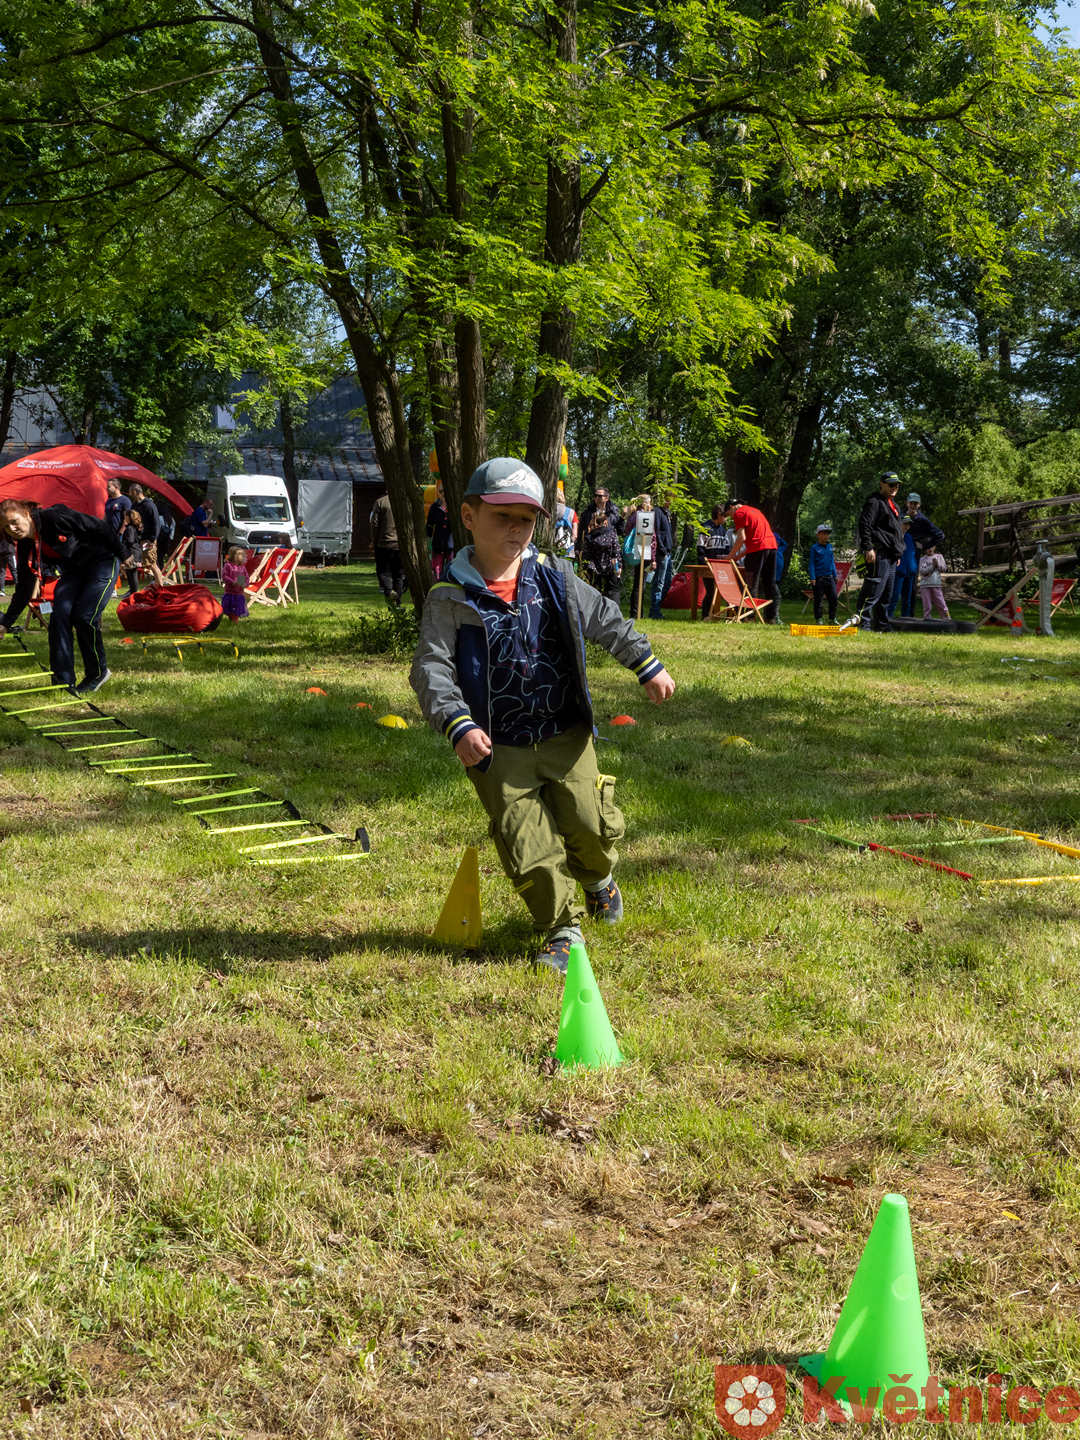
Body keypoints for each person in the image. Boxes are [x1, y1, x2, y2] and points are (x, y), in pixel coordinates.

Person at [410, 457, 675, 974]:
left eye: (526, 519)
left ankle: (598, 880)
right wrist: (457, 722)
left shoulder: (554, 577)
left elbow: (604, 618)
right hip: (498, 747)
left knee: (587, 825)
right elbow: (431, 668)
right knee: (525, 842)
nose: (515, 528)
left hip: (565, 734)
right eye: (502, 516)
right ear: (468, 516)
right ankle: (561, 928)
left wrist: (645, 663)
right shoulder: (449, 597)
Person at [0, 498, 133, 694]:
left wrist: (124, 553)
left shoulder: (55, 517)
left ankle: (97, 673)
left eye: (14, 521)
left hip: (102, 561)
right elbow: (25, 587)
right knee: (59, 616)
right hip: (73, 570)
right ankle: (63, 681)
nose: (12, 529)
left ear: (26, 514)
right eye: (6, 526)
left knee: (85, 616)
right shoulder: (26, 545)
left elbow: (98, 526)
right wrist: (6, 623)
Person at [855, 470, 905, 631]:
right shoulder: (874, 501)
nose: (894, 488)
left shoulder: (893, 505)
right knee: (873, 589)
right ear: (882, 484)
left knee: (886, 594)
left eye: (897, 485)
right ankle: (863, 623)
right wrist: (868, 547)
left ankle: (881, 625)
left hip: (891, 555)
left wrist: (896, 553)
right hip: (879, 553)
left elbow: (895, 532)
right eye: (891, 485)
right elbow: (865, 525)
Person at [720, 498, 781, 624]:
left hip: (757, 551)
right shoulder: (756, 511)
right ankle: (771, 618)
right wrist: (737, 557)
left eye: (728, 514)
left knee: (750, 583)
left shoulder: (739, 513)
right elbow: (756, 540)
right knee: (770, 583)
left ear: (731, 507)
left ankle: (749, 617)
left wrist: (730, 555)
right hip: (772, 547)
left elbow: (742, 537)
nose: (731, 517)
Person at [623, 493, 656, 616]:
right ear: (643, 504)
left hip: (634, 552)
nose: (651, 506)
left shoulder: (632, 515)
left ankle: (636, 612)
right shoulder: (644, 517)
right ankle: (636, 613)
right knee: (640, 584)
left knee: (638, 583)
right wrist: (653, 558)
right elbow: (650, 538)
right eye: (649, 503)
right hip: (643, 552)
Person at [697, 504, 732, 619]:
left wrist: (727, 559)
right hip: (708, 566)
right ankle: (706, 615)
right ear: (719, 515)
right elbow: (700, 548)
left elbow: (727, 547)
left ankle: (715, 614)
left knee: (720, 591)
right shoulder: (706, 528)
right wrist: (704, 564)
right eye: (725, 516)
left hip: (721, 566)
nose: (726, 519)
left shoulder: (722, 529)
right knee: (711, 591)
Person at [370, 491, 405, 606]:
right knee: (398, 576)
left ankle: (389, 591)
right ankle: (397, 605)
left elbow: (374, 524)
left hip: (384, 544)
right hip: (400, 546)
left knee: (383, 573)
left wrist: (375, 542)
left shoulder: (381, 502)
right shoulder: (405, 502)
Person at [128, 484, 167, 587]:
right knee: (145, 562)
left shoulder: (149, 505)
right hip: (139, 539)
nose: (129, 494)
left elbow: (156, 523)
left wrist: (152, 539)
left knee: (152, 563)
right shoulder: (135, 506)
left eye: (130, 492)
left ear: (135, 492)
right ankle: (156, 585)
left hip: (148, 540)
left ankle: (161, 587)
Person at [580, 506, 622, 601]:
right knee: (613, 590)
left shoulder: (590, 536)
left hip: (594, 567)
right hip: (610, 565)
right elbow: (616, 551)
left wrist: (585, 567)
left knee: (594, 590)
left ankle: (595, 609)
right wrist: (618, 565)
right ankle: (614, 608)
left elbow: (586, 554)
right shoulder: (611, 534)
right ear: (605, 522)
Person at [576, 487, 623, 558]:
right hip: (590, 550)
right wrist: (578, 547)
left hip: (607, 552)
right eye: (595, 496)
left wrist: (622, 519)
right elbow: (580, 531)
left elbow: (619, 531)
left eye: (600, 496)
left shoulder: (613, 513)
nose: (597, 498)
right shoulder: (588, 513)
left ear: (606, 498)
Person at [648, 493, 674, 619]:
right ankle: (655, 612)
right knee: (658, 583)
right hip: (662, 554)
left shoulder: (666, 513)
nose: (671, 501)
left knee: (667, 583)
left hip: (668, 553)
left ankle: (654, 609)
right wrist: (662, 551)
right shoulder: (657, 512)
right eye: (669, 498)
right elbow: (656, 532)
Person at [808, 522, 838, 624]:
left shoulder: (830, 547)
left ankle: (832, 618)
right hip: (819, 578)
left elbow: (832, 562)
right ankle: (819, 618)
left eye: (828, 534)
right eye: (824, 533)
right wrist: (812, 577)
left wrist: (835, 575)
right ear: (818, 535)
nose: (826, 536)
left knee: (833, 598)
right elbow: (812, 563)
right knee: (818, 600)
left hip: (830, 577)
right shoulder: (814, 548)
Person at [889, 514, 919, 619]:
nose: (907, 527)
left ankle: (906, 621)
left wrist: (913, 566)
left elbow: (911, 552)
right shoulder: (893, 537)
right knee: (894, 598)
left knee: (907, 600)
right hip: (898, 572)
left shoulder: (909, 537)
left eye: (908, 524)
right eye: (905, 524)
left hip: (909, 572)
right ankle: (888, 620)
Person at [426, 488, 454, 580]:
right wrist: (427, 543)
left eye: (445, 490)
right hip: (437, 547)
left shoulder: (454, 506)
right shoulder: (434, 507)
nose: (443, 493)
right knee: (437, 576)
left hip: (451, 547)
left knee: (451, 574)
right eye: (441, 491)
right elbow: (429, 525)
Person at [906, 492, 945, 557]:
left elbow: (940, 535)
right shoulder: (899, 516)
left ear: (919, 504)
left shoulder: (923, 520)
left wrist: (924, 546)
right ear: (907, 503)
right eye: (911, 503)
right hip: (898, 553)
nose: (913, 505)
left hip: (913, 554)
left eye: (915, 503)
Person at [918, 545, 951, 619]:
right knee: (927, 606)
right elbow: (922, 571)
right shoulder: (923, 559)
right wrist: (932, 566)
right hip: (925, 586)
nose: (930, 549)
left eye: (931, 547)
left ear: (934, 547)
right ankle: (927, 620)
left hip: (936, 585)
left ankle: (947, 619)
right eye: (928, 547)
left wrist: (937, 564)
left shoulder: (939, 556)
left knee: (941, 604)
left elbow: (944, 568)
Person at [221, 545, 250, 621]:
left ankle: (234, 620)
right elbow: (224, 576)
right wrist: (232, 582)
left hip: (239, 593)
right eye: (242, 556)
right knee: (230, 608)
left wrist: (245, 584)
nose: (244, 558)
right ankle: (231, 617)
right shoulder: (228, 566)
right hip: (230, 592)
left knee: (236, 608)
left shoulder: (242, 568)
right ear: (235, 557)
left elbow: (247, 578)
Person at [553, 491, 578, 557]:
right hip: (566, 551)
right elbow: (575, 534)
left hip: (548, 548)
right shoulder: (571, 512)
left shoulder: (546, 509)